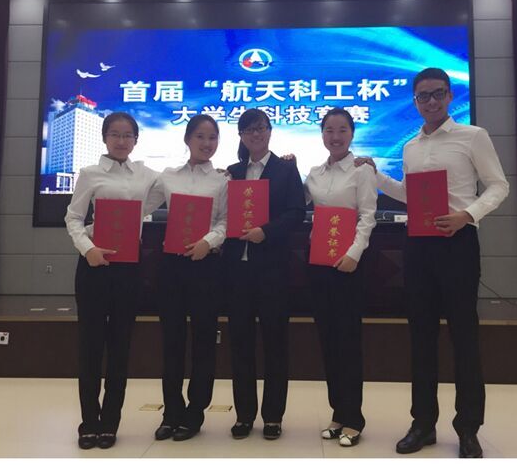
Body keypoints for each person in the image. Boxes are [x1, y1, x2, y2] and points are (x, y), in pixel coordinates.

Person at [360, 68, 509, 458]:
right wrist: (377, 176)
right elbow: (411, 195)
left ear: (449, 95)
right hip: (419, 246)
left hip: (458, 243)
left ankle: (468, 428)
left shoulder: (473, 136)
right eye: (423, 96)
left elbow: (499, 185)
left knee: (464, 337)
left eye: (437, 93)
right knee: (421, 338)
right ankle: (423, 424)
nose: (430, 101)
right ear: (415, 101)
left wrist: (467, 215)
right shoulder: (411, 146)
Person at [65, 112, 158, 450]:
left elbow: (173, 188)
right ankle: (88, 422)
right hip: (94, 266)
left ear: (136, 140)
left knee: (120, 347)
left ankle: (110, 422)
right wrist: (88, 248)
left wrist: (217, 175)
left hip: (128, 268)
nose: (121, 140)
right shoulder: (90, 174)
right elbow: (73, 217)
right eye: (115, 134)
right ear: (105, 138)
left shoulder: (146, 175)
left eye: (128, 135)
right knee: (90, 346)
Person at [222, 108, 306, 440]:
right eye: (249, 130)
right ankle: (244, 415)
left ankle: (273, 416)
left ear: (270, 131)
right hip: (237, 271)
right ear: (241, 136)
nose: (256, 134)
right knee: (240, 343)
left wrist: (265, 232)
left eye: (262, 128)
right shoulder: (231, 173)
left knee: (275, 343)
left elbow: (296, 213)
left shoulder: (286, 170)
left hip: (272, 269)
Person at [144, 114, 229, 442]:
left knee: (204, 340)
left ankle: (195, 412)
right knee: (172, 340)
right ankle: (171, 412)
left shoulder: (222, 180)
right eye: (200, 137)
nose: (207, 143)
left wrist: (208, 242)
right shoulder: (168, 176)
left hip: (206, 266)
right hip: (172, 266)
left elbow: (225, 222)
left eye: (213, 137)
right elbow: (140, 207)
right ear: (187, 139)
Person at [304, 107, 377, 447]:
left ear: (352, 133)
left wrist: (354, 254)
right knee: (327, 341)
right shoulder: (314, 174)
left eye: (342, 130)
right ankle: (338, 412)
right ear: (322, 134)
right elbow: (294, 201)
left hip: (348, 266)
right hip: (319, 265)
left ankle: (354, 418)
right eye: (329, 130)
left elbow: (367, 216)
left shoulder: (362, 171)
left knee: (348, 342)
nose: (335, 136)